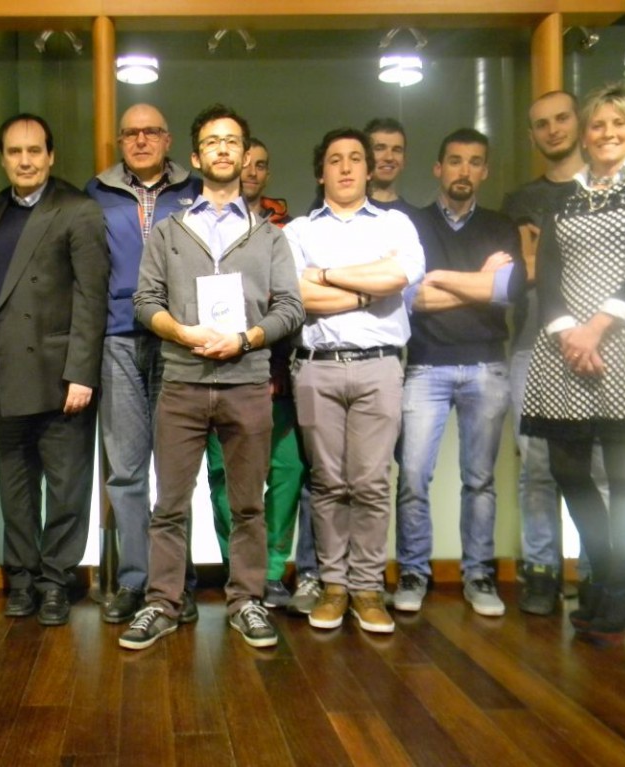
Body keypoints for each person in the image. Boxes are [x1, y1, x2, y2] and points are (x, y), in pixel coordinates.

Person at [120, 104, 304, 651]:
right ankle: (162, 603)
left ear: (245, 156)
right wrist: (181, 331)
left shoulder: (269, 236)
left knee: (248, 505)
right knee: (169, 505)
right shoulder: (169, 232)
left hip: (247, 382)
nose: (223, 149)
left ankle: (246, 601)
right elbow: (144, 302)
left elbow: (291, 308)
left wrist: (245, 339)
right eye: (212, 142)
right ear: (196, 157)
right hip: (181, 380)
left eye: (232, 141)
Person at [521, 80, 625, 645]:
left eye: (619, 124)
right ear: (585, 135)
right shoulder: (565, 195)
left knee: (623, 471)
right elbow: (549, 270)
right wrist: (570, 331)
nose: (607, 133)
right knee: (567, 469)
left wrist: (597, 328)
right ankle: (613, 575)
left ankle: (613, 586)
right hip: (566, 341)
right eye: (598, 125)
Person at [0, 113, 109, 627]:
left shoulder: (77, 209)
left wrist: (83, 373)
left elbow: (92, 298)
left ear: (51, 156)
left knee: (67, 487)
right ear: (3, 157)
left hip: (61, 375)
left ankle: (55, 581)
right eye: (14, 151)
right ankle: (23, 579)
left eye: (34, 151)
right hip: (7, 371)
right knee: (16, 487)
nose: (24, 160)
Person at [286, 127, 424, 634]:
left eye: (355, 159)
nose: (345, 167)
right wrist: (368, 289)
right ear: (320, 172)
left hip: (379, 365)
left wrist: (326, 274)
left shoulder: (395, 223)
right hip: (316, 365)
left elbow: (399, 278)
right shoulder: (297, 231)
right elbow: (297, 296)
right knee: (327, 482)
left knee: (370, 482)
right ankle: (333, 586)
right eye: (334, 160)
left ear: (369, 169)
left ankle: (366, 588)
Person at [394, 128, 526, 617]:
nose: (463, 170)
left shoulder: (499, 224)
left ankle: (479, 574)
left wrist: (443, 278)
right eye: (454, 160)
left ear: (484, 171)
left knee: (480, 481)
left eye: (474, 162)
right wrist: (479, 281)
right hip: (425, 364)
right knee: (412, 478)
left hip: (486, 365)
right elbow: (412, 297)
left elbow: (507, 290)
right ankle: (413, 572)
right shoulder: (412, 223)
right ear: (438, 168)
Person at [85, 104, 202, 624]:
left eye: (150, 131)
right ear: (120, 141)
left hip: (179, 340)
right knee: (127, 472)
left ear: (167, 139)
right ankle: (134, 581)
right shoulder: (97, 193)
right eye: (130, 133)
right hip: (118, 339)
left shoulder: (195, 190)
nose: (140, 140)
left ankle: (175, 582)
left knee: (175, 472)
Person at [501, 91, 600, 615]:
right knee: (537, 465)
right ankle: (540, 572)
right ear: (532, 135)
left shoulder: (609, 190)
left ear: (578, 122)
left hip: (604, 343)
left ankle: (600, 572)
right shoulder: (520, 201)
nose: (553, 129)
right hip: (533, 344)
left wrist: (546, 258)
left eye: (562, 118)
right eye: (542, 124)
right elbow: (520, 276)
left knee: (599, 467)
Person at [205, 136, 305, 609]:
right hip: (219, 370)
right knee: (224, 476)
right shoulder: (201, 225)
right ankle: (238, 569)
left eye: (260, 164)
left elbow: (292, 301)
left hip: (278, 375)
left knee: (288, 470)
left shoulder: (286, 229)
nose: (251, 171)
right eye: (246, 162)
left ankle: (272, 570)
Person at [363, 117, 420, 217]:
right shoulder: (347, 212)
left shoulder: (417, 218)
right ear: (364, 157)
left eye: (397, 150)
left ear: (404, 160)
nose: (389, 157)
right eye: (380, 148)